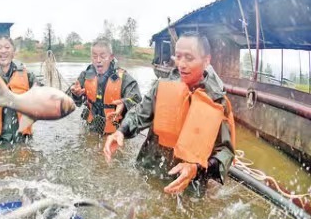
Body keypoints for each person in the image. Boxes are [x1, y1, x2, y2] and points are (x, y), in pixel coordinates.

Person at [103, 32, 236, 195]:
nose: (181, 64)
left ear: (206, 60)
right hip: (151, 168)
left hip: (189, 182)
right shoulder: (162, 85)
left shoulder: (217, 101)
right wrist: (121, 131)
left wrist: (196, 168)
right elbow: (139, 114)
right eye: (178, 56)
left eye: (189, 58)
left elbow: (225, 151)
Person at [69, 39, 141, 135]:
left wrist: (124, 103)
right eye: (94, 56)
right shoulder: (85, 76)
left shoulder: (124, 78)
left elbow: (138, 101)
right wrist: (75, 95)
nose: (98, 60)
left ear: (111, 57)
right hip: (91, 127)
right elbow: (72, 102)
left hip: (114, 131)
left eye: (103, 56)